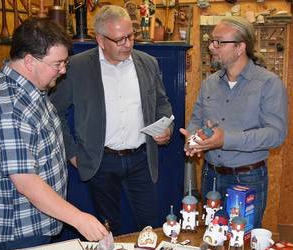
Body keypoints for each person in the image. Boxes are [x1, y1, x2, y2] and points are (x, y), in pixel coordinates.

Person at [0, 17, 108, 250]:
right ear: (30, 61)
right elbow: (27, 182)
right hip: (17, 232)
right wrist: (79, 219)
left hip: (37, 223)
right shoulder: (10, 107)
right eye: (58, 64)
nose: (64, 70)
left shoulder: (33, 89)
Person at [50, 5, 173, 236]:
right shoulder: (77, 67)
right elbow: (54, 111)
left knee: (150, 228)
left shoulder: (147, 63)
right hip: (100, 162)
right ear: (100, 39)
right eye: (119, 39)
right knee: (108, 230)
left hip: (142, 160)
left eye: (130, 36)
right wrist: (72, 153)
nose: (127, 44)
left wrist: (166, 125)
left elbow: (161, 102)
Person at [180, 16, 287, 229]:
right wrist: (193, 139)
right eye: (212, 41)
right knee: (211, 237)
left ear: (240, 47)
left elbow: (276, 134)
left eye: (219, 42)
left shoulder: (268, 84)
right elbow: (196, 120)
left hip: (247, 178)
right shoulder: (209, 83)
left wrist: (225, 139)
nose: (212, 47)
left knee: (241, 242)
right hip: (210, 174)